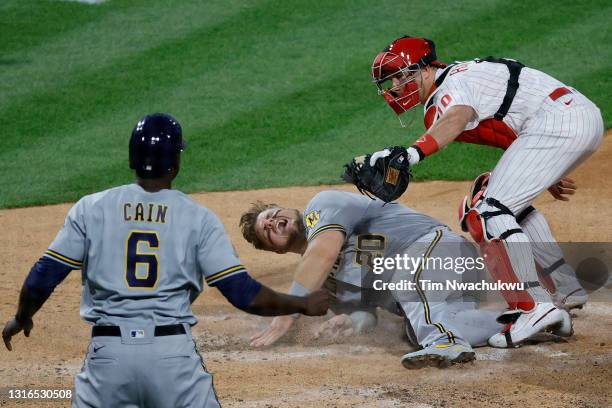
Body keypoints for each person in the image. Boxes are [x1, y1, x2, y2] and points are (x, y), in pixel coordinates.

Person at [2, 113, 329, 408]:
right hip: (172, 359)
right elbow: (242, 293)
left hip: (107, 359)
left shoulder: (91, 208)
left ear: (132, 159)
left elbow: (46, 273)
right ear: (175, 164)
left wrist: (22, 316)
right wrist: (300, 304)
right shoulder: (198, 218)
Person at [365, 36, 603, 347]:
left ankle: (533, 307)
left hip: (558, 122)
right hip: (564, 119)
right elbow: (505, 123)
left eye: (401, 75)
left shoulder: (453, 84)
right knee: (491, 198)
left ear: (425, 69)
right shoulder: (453, 84)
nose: (394, 86)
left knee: (489, 213)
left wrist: (412, 154)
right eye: (389, 80)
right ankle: (564, 289)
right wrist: (548, 165)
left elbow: (458, 116)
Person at [239, 190, 572, 368]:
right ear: (277, 251)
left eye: (272, 215)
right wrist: (351, 324)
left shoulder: (323, 207)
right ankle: (526, 319)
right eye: (266, 231)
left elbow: (322, 253)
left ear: (288, 210)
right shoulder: (327, 285)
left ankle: (445, 342)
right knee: (418, 329)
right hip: (437, 288)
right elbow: (366, 314)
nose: (273, 222)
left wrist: (287, 314)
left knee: (408, 284)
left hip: (439, 250)